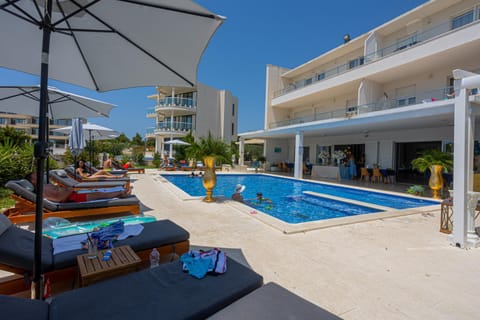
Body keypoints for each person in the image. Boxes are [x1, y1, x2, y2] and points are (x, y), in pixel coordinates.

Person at [28, 173, 132, 203]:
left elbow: (58, 192)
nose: (38, 174)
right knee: (100, 195)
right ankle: (121, 193)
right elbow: (59, 198)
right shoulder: (42, 190)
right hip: (73, 197)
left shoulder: (44, 185)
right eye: (35, 175)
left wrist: (67, 188)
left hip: (73, 194)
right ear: (33, 181)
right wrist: (71, 189)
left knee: (99, 191)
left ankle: (120, 193)